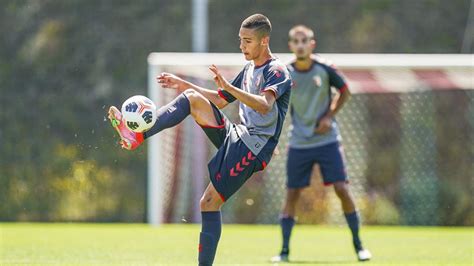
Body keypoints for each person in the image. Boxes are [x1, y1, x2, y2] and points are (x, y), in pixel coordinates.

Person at [108, 14, 291, 266]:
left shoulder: (277, 70)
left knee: (207, 203)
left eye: (247, 41)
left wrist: (230, 87)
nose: (241, 46)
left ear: (264, 41)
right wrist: (184, 84)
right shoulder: (249, 68)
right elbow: (219, 99)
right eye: (240, 40)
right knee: (192, 97)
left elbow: (264, 105)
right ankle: (137, 135)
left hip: (253, 147)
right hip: (239, 135)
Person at [271, 25, 371, 262]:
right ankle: (284, 252)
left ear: (312, 44)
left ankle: (359, 246)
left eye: (304, 40)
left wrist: (329, 116)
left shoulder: (325, 68)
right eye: (296, 41)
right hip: (299, 142)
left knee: (342, 189)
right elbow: (274, 108)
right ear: (290, 46)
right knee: (292, 194)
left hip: (327, 141)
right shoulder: (284, 73)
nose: (300, 44)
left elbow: (345, 91)